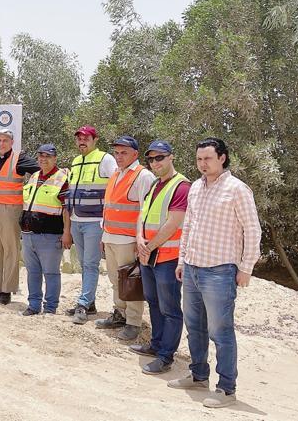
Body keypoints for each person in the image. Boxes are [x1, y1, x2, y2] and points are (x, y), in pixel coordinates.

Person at [167, 138, 261, 409]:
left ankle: (226, 388)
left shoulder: (237, 189)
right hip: (193, 268)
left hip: (220, 271)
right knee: (194, 327)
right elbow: (189, 228)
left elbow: (252, 230)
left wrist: (246, 268)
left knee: (220, 331)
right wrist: (182, 260)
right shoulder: (196, 187)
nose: (202, 164)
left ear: (222, 158)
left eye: (207, 158)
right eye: (199, 159)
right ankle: (198, 375)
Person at [130, 140, 190, 375]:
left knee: (170, 308)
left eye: (160, 158)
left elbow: (173, 223)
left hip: (167, 257)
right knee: (154, 303)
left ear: (171, 157)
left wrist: (148, 247)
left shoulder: (181, 186)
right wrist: (139, 238)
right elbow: (142, 215)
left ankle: (166, 356)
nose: (155, 163)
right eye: (152, 159)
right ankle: (156, 345)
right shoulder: (155, 184)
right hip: (150, 256)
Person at [86, 135, 155, 338]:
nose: (119, 156)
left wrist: (140, 240)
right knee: (116, 280)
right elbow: (109, 207)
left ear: (135, 154)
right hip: (111, 237)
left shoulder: (143, 176)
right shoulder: (116, 174)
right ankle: (120, 314)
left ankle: (133, 323)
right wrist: (104, 234)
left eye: (124, 153)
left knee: (131, 282)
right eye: (116, 153)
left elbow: (146, 211)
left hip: (128, 240)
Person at [0, 129, 39, 305]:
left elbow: (41, 170)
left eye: (5, 140)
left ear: (12, 142)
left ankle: (7, 290)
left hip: (11, 210)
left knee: (11, 250)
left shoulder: (20, 158)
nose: (2, 143)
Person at [64, 125, 117, 319]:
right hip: (76, 219)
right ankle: (90, 303)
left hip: (95, 221)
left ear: (95, 140)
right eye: (79, 138)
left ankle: (83, 304)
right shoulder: (76, 161)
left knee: (90, 264)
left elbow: (116, 185)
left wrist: (108, 219)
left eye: (86, 137)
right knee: (84, 264)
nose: (82, 141)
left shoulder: (105, 159)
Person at [19, 144, 72, 316]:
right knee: (32, 272)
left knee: (51, 273)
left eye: (48, 156)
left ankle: (50, 308)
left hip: (50, 235)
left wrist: (67, 233)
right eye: (41, 156)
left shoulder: (62, 178)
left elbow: (67, 209)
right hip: (28, 235)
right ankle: (33, 306)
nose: (43, 159)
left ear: (55, 158)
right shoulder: (34, 176)